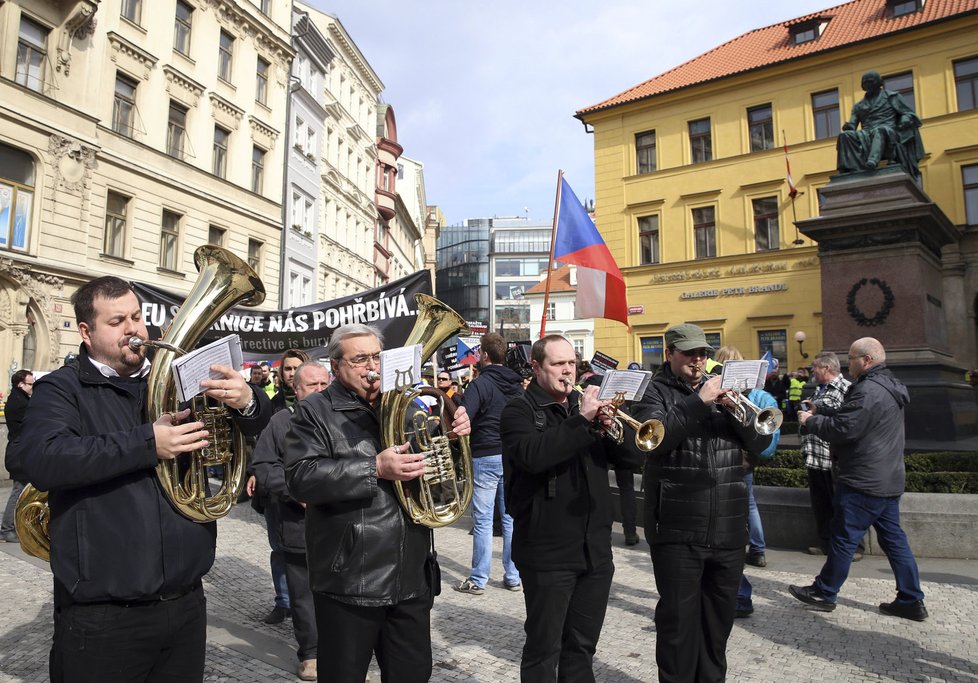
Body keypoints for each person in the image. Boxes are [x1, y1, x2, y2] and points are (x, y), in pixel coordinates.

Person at [20, 275, 271, 681]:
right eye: (117, 321)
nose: (134, 329)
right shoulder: (61, 389)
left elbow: (262, 421)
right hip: (104, 615)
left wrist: (248, 401)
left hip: (186, 603)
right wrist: (146, 443)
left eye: (136, 317)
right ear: (86, 332)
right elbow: (37, 458)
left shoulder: (176, 381)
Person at [284, 323, 470, 682]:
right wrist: (375, 468)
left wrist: (451, 436)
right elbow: (300, 478)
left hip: (410, 575)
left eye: (375, 357)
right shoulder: (314, 411)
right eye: (359, 360)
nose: (371, 367)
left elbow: (442, 482)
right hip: (351, 580)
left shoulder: (408, 405)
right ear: (336, 366)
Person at [630, 324, 772, 683]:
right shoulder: (653, 391)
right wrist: (698, 402)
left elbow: (758, 445)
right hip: (677, 527)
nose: (698, 360)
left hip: (727, 526)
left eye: (703, 354)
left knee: (717, 627)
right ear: (669, 355)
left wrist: (738, 408)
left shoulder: (725, 391)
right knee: (678, 626)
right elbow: (655, 441)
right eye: (690, 353)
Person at [501, 334, 639, 682]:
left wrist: (610, 428)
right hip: (547, 552)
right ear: (536, 367)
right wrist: (581, 422)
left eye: (572, 363)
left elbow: (635, 458)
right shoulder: (519, 410)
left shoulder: (585, 412)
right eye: (558, 364)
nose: (568, 371)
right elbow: (535, 457)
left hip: (594, 551)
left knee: (582, 648)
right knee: (543, 650)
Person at [790, 337, 928, 621]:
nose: (846, 363)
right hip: (888, 479)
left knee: (843, 539)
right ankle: (911, 599)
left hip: (863, 480)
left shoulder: (868, 391)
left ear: (866, 360)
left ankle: (824, 592)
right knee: (895, 541)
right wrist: (822, 409)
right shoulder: (887, 386)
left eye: (851, 358)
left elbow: (845, 429)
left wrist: (810, 421)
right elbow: (856, 417)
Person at [252, 361, 330, 681]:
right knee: (302, 594)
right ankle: (310, 654)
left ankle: (344, 655)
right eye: (313, 385)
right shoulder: (281, 421)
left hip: (341, 526)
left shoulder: (347, 417)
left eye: (325, 383)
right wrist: (295, 491)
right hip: (298, 524)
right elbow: (264, 466)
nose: (321, 390)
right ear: (296, 390)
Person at [453, 333, 523, 596]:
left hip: (485, 454)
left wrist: (459, 401)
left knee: (482, 520)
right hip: (511, 455)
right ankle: (513, 575)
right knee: (509, 518)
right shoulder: (517, 386)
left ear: (484, 355)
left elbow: (464, 417)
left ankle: (478, 578)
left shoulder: (481, 384)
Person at [800, 351, 858, 558]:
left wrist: (816, 413)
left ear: (826, 368)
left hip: (833, 457)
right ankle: (825, 542)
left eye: (815, 366)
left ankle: (851, 547)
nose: (812, 370)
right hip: (815, 456)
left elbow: (846, 419)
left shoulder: (847, 388)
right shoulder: (818, 389)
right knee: (821, 504)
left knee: (841, 504)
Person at [837, 70, 925, 179]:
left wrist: (905, 118)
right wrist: (848, 126)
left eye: (871, 81)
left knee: (880, 130)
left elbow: (909, 113)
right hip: (866, 134)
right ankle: (848, 168)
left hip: (889, 131)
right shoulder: (859, 106)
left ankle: (873, 160)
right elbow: (852, 124)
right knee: (845, 135)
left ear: (879, 83)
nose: (868, 84)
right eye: (865, 82)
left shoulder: (892, 97)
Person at [1, 369, 34, 543]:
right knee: (19, 490)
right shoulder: (20, 402)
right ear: (20, 384)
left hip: (19, 449)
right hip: (19, 451)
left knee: (24, 489)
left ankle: (19, 526)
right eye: (30, 384)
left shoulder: (21, 399)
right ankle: (7, 529)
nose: (32, 387)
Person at [271, 348, 310, 413]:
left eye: (297, 368)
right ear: (281, 372)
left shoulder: (316, 399)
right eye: (288, 369)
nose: (292, 374)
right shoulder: (273, 403)